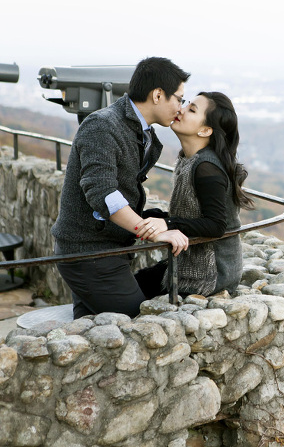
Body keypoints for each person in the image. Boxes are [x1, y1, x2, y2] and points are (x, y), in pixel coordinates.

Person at [52, 57, 191, 319]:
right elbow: (103, 193)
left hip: (106, 251)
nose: (181, 107)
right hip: (89, 254)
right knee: (138, 325)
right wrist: (147, 230)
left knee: (95, 333)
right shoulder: (102, 125)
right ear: (158, 95)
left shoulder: (140, 130)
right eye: (179, 99)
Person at [135, 91, 254, 297]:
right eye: (187, 104)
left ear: (205, 130)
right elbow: (193, 216)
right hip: (192, 261)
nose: (181, 109)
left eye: (191, 110)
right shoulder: (189, 159)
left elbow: (216, 225)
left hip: (211, 272)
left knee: (131, 294)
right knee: (134, 284)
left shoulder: (207, 167)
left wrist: (169, 224)